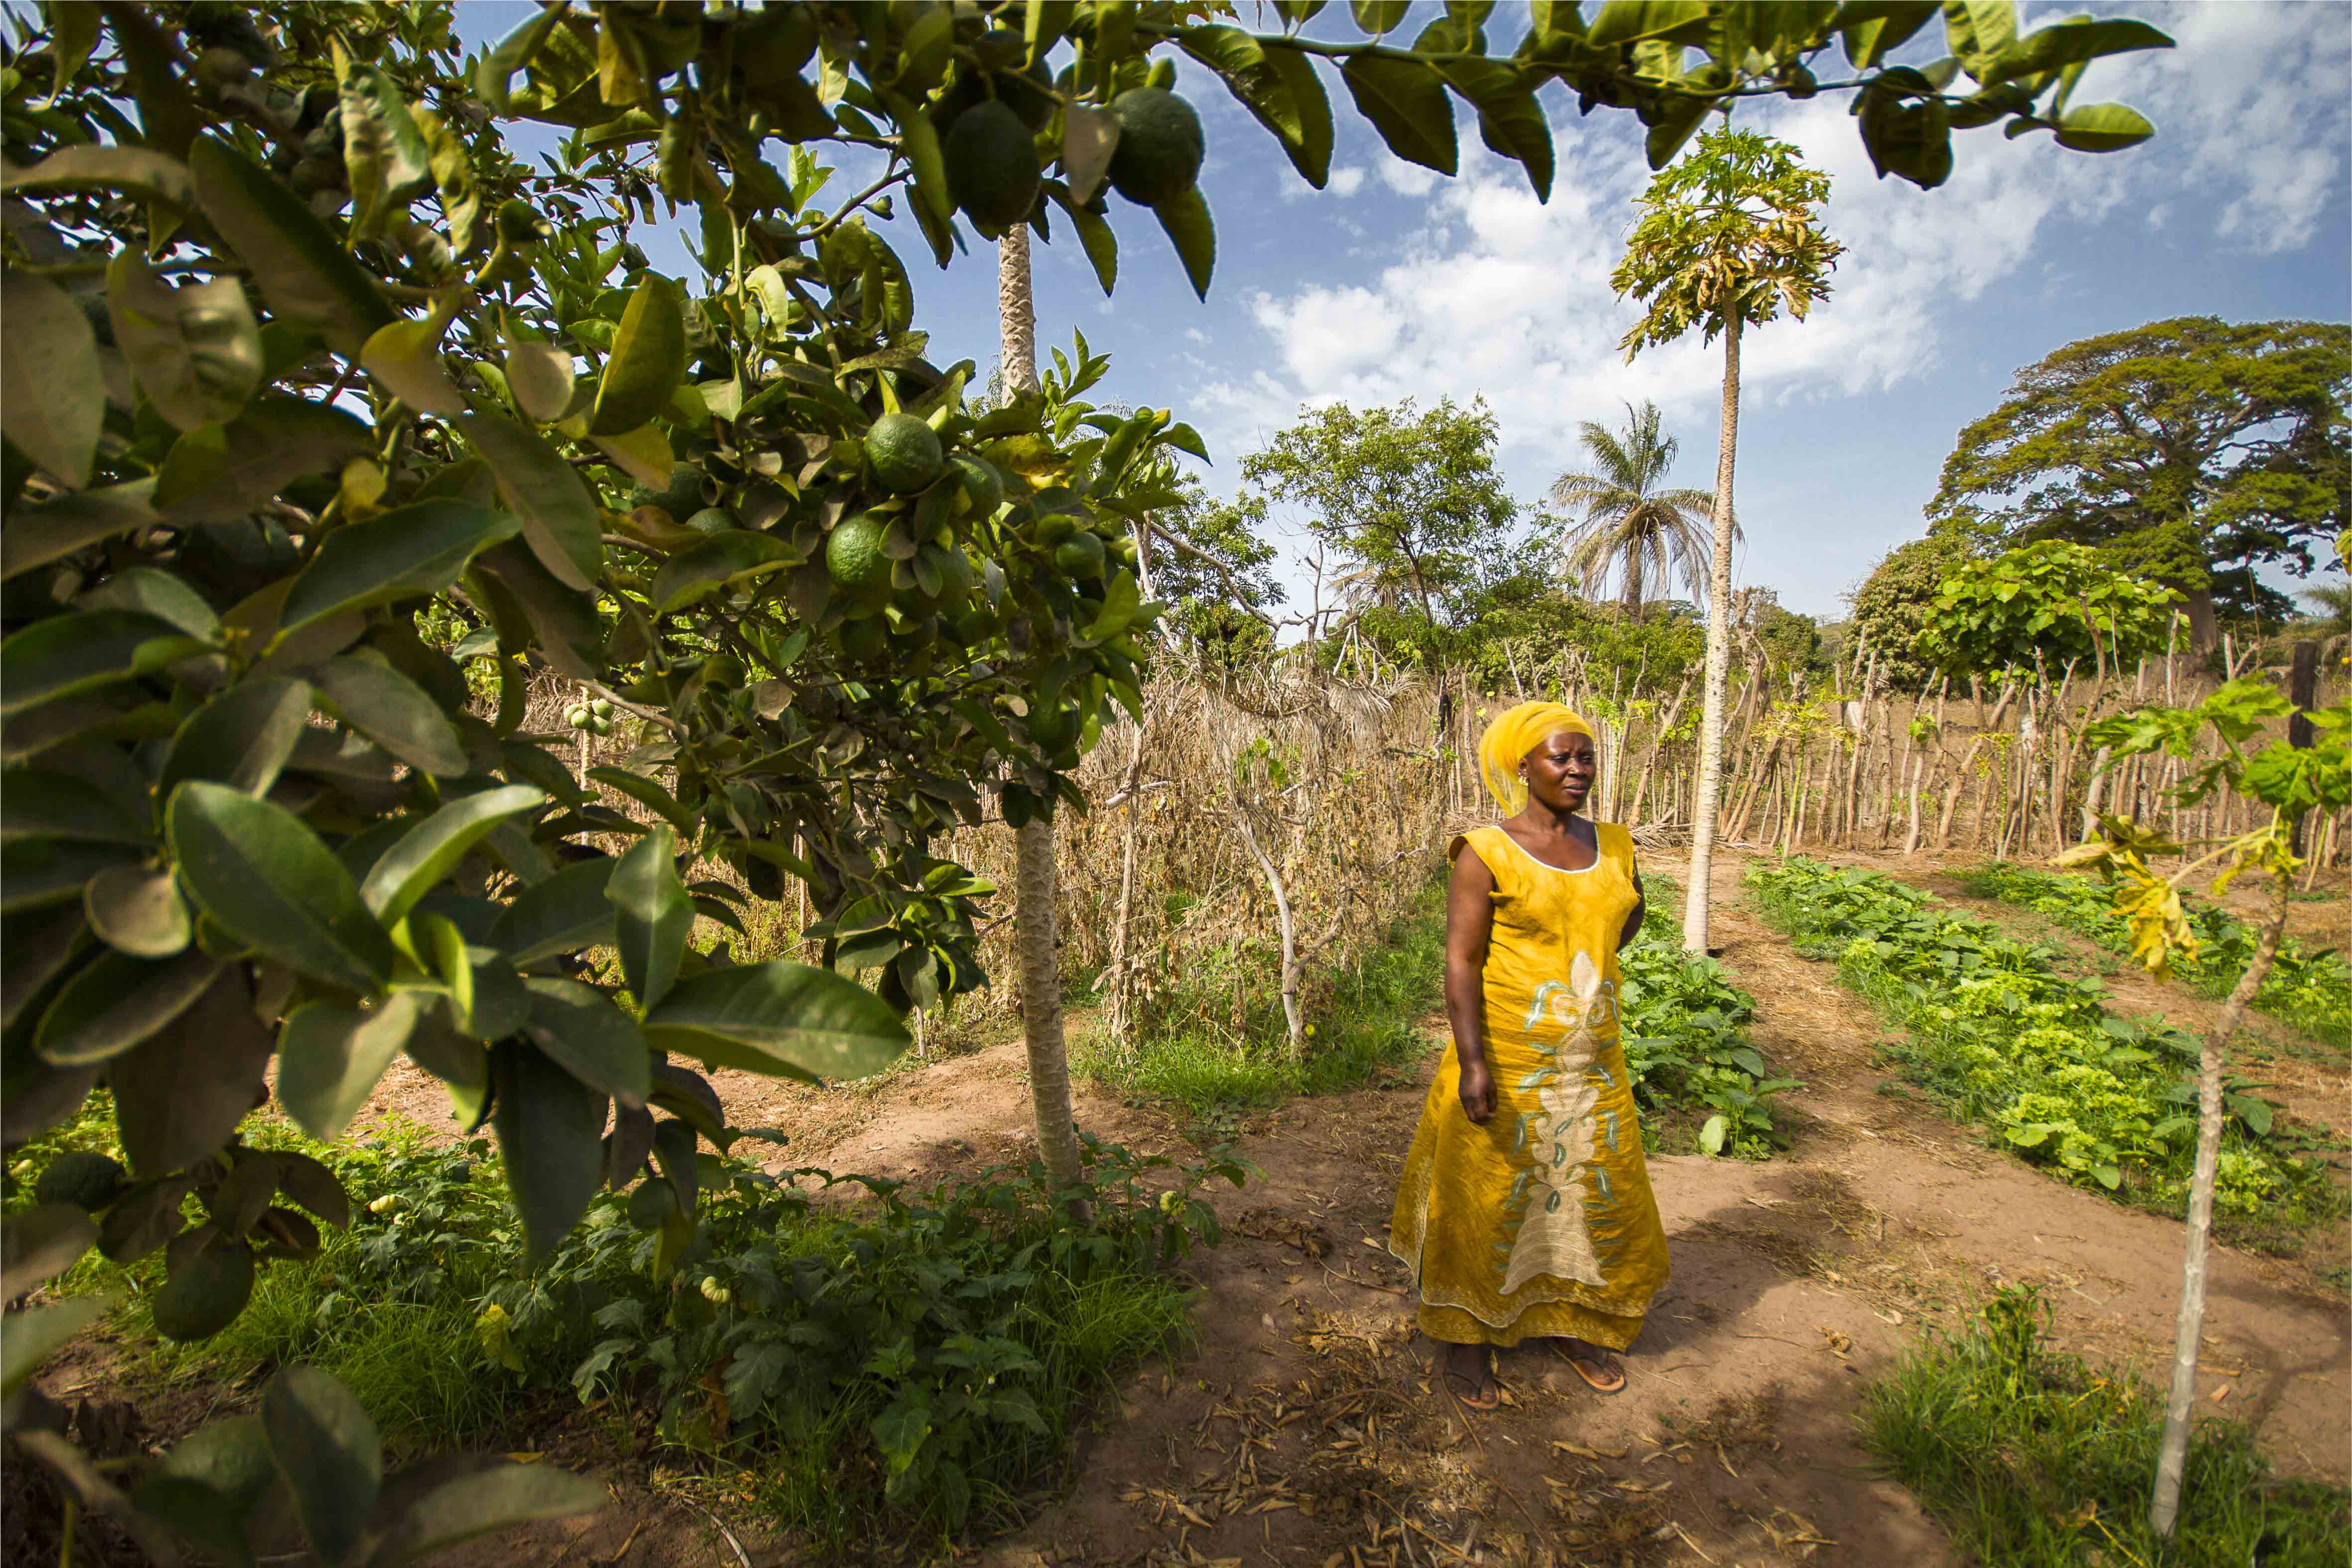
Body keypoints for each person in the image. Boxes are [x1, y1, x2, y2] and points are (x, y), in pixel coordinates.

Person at [1387, 701, 1670, 1410]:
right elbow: (1461, 961)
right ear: (1524, 767)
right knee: (1489, 1194)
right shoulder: (1487, 851)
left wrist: (1579, 967)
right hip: (1507, 1053)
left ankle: (1572, 1322)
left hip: (1591, 1062)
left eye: (1586, 757)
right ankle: (1467, 1337)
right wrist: (1474, 1063)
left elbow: (1625, 915)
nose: (1577, 769)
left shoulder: (1615, 844)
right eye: (1560, 757)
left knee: (1585, 1191)